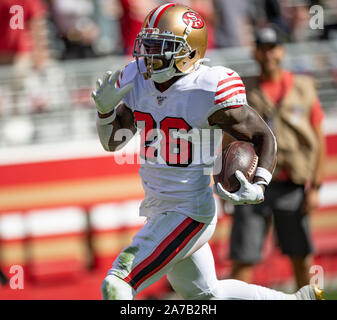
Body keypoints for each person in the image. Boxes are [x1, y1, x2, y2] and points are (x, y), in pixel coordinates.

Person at [92, 3, 323, 300]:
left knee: (117, 284)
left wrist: (260, 182)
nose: (150, 54)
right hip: (158, 207)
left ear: (190, 52)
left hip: (188, 212)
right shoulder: (139, 79)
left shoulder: (207, 87)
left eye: (161, 46)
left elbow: (262, 135)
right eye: (147, 44)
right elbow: (111, 142)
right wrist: (104, 111)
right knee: (208, 296)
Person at [228, 25, 326, 290]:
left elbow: (318, 140)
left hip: (291, 182)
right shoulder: (243, 89)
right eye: (262, 49)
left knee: (300, 256)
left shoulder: (303, 87)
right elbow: (229, 140)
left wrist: (315, 187)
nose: (268, 54)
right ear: (255, 53)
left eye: (273, 48)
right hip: (251, 183)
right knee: (243, 257)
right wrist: (226, 185)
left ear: (281, 51)